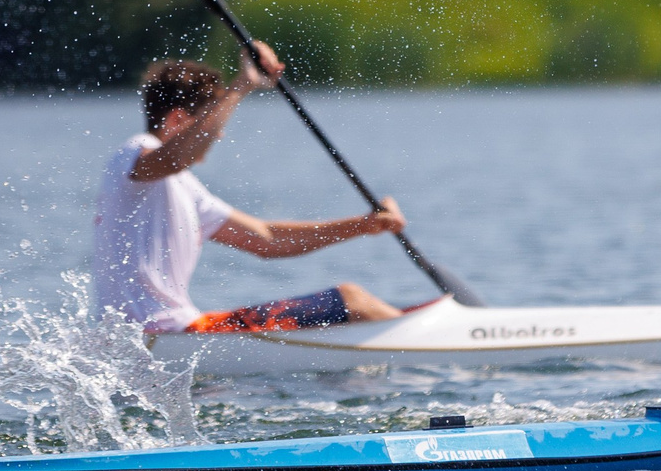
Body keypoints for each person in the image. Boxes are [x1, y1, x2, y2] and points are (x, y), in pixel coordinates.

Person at [94, 44, 419, 335]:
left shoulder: (181, 186)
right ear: (177, 121)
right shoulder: (134, 153)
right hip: (170, 335)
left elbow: (266, 239)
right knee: (352, 299)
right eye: (212, 121)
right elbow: (180, 155)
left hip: (161, 338)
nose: (219, 135)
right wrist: (243, 84)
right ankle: (435, 348)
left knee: (351, 313)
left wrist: (363, 226)